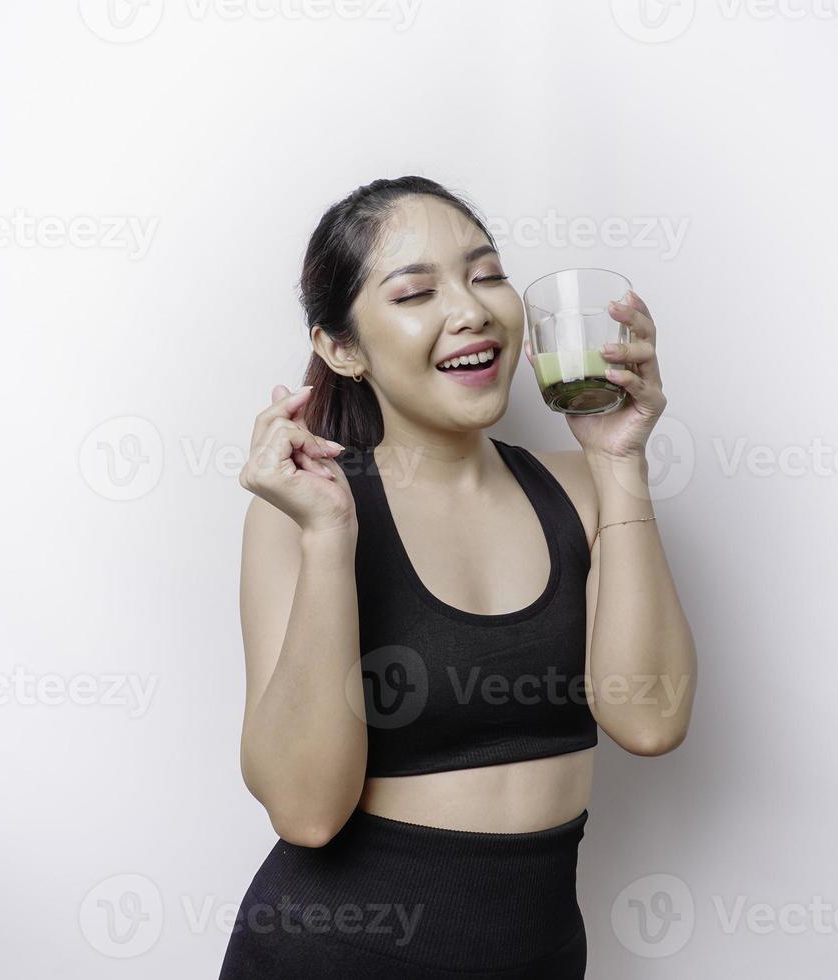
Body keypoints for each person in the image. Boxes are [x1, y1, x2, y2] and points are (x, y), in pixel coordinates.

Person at [218, 176, 697, 979]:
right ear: (341, 348)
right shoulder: (301, 515)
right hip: (335, 954)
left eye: (485, 275)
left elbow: (649, 722)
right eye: (415, 292)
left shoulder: (579, 489)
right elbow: (304, 811)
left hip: (538, 955)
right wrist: (331, 539)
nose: (471, 309)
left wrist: (619, 463)